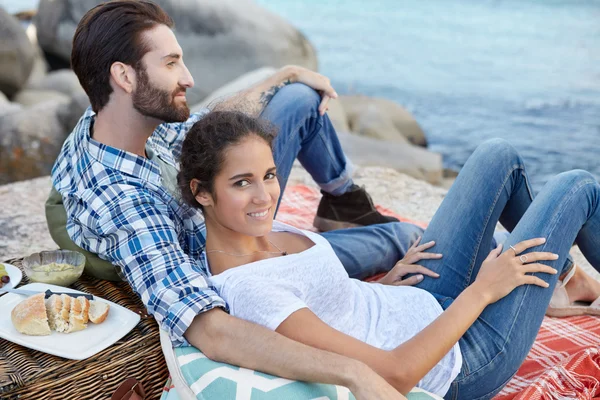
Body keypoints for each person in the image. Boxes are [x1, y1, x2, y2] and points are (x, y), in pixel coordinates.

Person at [47, 1, 425, 398]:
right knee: (403, 238)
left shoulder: (110, 123)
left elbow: (202, 129)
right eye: (172, 63)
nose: (189, 78)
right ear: (123, 76)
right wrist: (354, 372)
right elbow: (211, 330)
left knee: (298, 96)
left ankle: (342, 201)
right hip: (236, 251)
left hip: (229, 213)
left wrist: (280, 78)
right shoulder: (122, 201)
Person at [176, 110, 600, 400]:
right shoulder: (251, 288)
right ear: (201, 192)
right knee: (576, 187)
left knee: (498, 156)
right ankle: (571, 279)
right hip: (461, 360)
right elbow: (394, 375)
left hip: (418, 299)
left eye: (268, 175)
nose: (264, 195)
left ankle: (566, 279)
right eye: (241, 182)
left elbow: (322, 304)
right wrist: (484, 291)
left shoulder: (265, 228)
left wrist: (373, 286)